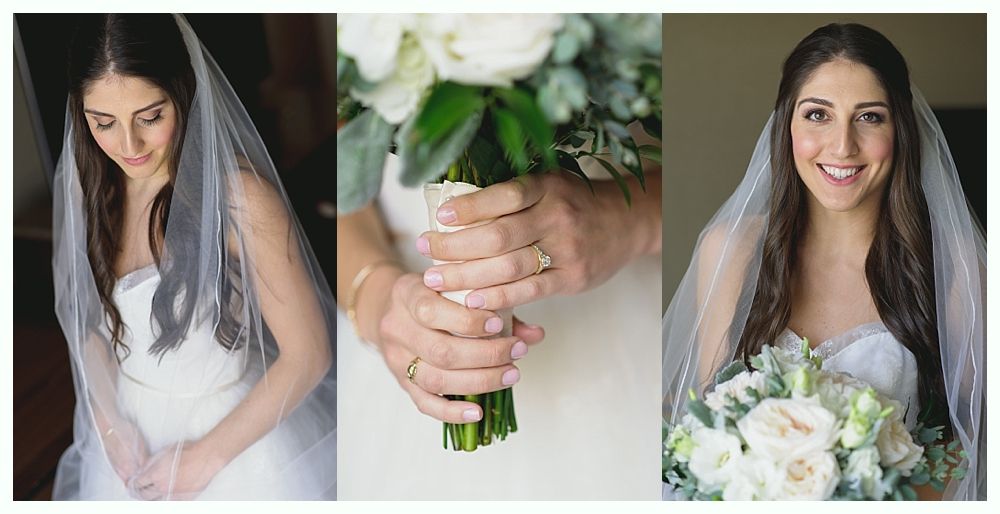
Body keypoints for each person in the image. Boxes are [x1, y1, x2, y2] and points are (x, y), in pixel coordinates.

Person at [662, 23, 984, 500]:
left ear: (900, 130)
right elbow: (701, 422)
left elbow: (970, 445)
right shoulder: (729, 250)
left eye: (869, 117)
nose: (842, 146)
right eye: (818, 114)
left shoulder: (956, 266)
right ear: (785, 125)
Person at [51, 14, 337, 500]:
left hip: (230, 440)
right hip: (131, 433)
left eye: (150, 116)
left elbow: (309, 355)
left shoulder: (237, 199)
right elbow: (93, 328)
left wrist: (203, 459)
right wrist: (111, 423)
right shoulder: (92, 187)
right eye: (103, 122)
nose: (129, 146)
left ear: (182, 93)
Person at [337, 149, 661, 496]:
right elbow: (341, 163)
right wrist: (377, 296)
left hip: (613, 309)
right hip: (408, 322)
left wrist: (630, 218)